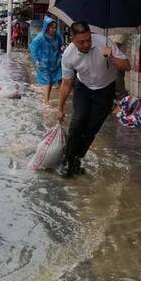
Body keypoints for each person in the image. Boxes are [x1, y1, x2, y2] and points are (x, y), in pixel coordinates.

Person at [56, 21, 131, 177]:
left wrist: (112, 58)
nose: (86, 44)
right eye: (81, 42)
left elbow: (127, 66)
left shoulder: (104, 42)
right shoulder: (68, 55)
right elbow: (66, 83)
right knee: (78, 122)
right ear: (72, 40)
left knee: (91, 129)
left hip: (105, 90)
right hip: (83, 88)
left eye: (88, 40)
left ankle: (77, 159)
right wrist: (60, 108)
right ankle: (67, 160)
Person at [29, 16, 64, 105]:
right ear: (47, 27)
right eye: (52, 27)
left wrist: (62, 47)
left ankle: (61, 99)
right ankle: (46, 102)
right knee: (48, 82)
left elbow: (61, 44)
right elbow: (33, 48)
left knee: (58, 79)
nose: (53, 29)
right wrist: (36, 60)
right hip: (44, 63)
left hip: (55, 62)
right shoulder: (40, 38)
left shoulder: (57, 36)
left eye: (55, 28)